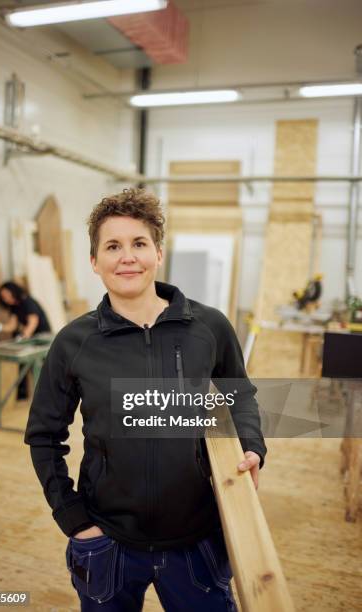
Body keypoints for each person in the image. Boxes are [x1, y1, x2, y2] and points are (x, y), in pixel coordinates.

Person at [24, 188, 267, 611]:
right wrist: (73, 518)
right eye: (112, 246)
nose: (127, 256)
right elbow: (44, 435)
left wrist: (251, 445)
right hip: (107, 543)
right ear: (94, 262)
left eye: (138, 243)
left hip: (196, 541)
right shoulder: (74, 343)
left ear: (158, 252)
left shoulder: (208, 326)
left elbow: (238, 393)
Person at [0, 281, 51, 399]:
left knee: (40, 366)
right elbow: (13, 324)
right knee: (21, 364)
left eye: (7, 295)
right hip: (31, 337)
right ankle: (22, 395)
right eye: (3, 297)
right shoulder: (14, 307)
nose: (6, 298)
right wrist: (0, 327)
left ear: (13, 291)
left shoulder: (27, 301)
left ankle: (44, 395)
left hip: (42, 337)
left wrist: (23, 336)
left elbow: (33, 322)